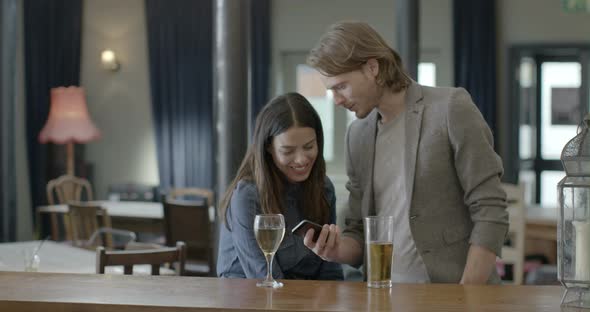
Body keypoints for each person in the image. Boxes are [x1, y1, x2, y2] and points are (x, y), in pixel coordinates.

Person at [303, 21, 508, 284]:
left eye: (341, 86)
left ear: (372, 68)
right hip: (383, 296)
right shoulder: (357, 136)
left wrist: (466, 297)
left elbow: (491, 208)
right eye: (331, 90)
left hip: (454, 293)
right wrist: (335, 250)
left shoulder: (450, 108)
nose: (337, 100)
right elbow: (357, 230)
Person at [216, 92, 343, 280]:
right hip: (249, 297)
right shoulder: (248, 195)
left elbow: (330, 268)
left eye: (309, 147)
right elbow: (263, 276)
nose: (301, 160)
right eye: (288, 151)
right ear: (268, 147)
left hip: (306, 297)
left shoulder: (324, 188)